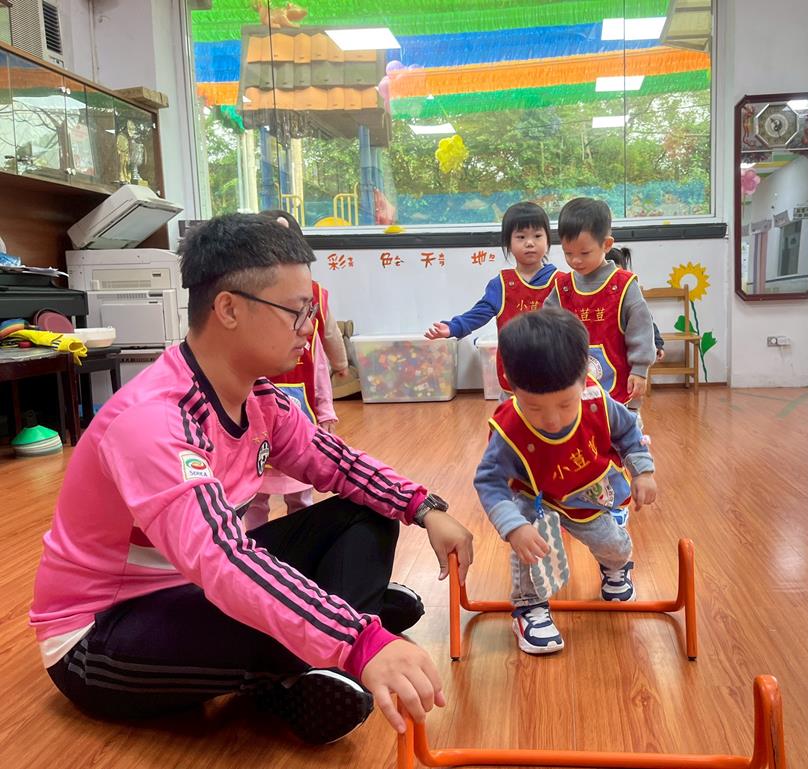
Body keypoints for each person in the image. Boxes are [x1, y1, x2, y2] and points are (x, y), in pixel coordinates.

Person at [29, 213, 474, 745]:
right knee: (273, 611)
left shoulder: (260, 398)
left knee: (365, 511)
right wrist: (359, 641)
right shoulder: (155, 420)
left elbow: (337, 462)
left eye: (312, 310)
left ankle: (324, 640)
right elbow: (222, 560)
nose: (309, 326)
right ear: (229, 309)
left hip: (193, 588)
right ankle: (340, 626)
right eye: (297, 311)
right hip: (101, 637)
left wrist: (425, 507)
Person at [473, 308, 656, 655]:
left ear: (584, 378)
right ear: (511, 384)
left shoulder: (596, 400)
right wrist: (513, 526)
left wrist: (643, 471)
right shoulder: (509, 427)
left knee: (615, 546)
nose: (553, 420)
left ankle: (615, 568)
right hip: (535, 499)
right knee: (529, 550)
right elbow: (489, 481)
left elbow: (629, 433)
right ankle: (529, 608)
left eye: (565, 404)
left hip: (586, 494)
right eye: (535, 408)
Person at [247, 209, 339, 528]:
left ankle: (298, 542)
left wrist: (325, 411)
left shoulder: (313, 298)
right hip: (253, 415)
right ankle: (255, 544)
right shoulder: (246, 300)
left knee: (300, 490)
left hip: (300, 410)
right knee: (253, 493)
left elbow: (321, 360)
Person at [425, 201, 561, 398]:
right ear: (508, 243)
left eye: (537, 236)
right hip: (514, 368)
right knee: (511, 411)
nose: (530, 243)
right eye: (521, 237)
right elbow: (479, 313)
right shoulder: (501, 284)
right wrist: (453, 327)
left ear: (548, 239)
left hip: (551, 366)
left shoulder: (560, 282)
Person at [545, 198, 655, 424]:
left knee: (624, 435)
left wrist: (640, 369)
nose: (575, 260)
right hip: (576, 387)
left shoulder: (623, 285)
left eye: (584, 253)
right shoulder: (563, 287)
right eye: (568, 253)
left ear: (606, 245)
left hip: (621, 387)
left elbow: (642, 329)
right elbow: (546, 326)